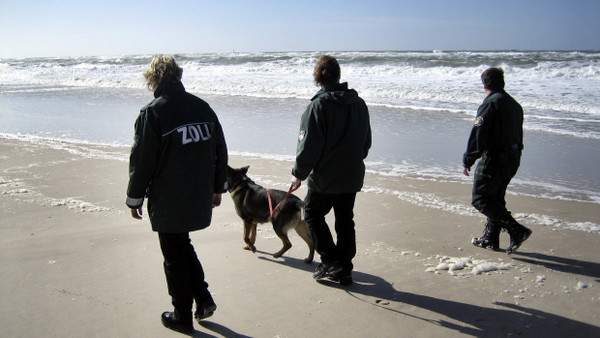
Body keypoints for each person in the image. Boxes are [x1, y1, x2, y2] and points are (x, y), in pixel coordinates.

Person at [126, 55, 228, 333]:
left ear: (154, 79)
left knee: (173, 254)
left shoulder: (154, 112)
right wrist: (218, 187)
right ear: (177, 76)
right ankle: (203, 298)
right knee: (181, 244)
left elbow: (142, 160)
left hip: (169, 197)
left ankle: (181, 314)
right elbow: (220, 150)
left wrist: (134, 198)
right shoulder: (202, 107)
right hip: (198, 193)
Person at [291, 55, 372, 286]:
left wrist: (299, 173)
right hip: (352, 174)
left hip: (326, 177)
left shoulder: (318, 106)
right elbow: (366, 143)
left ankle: (330, 260)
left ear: (317, 79)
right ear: (338, 75)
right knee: (345, 219)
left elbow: (308, 147)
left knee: (314, 215)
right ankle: (344, 267)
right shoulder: (359, 104)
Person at [462, 67, 531, 254]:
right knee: (496, 198)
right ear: (502, 82)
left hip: (495, 159)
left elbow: (479, 134)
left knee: (481, 198)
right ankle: (491, 238)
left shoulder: (490, 103)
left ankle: (517, 230)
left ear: (484, 83)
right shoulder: (515, 105)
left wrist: (469, 158)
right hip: (513, 158)